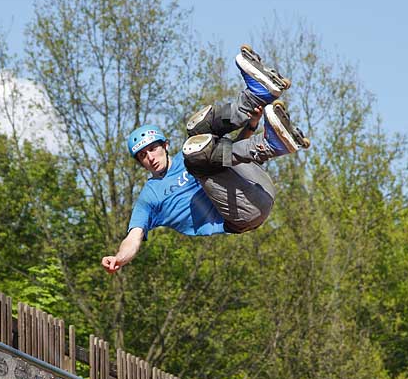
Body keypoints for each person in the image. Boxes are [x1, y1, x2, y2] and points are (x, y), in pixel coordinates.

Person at [101, 46, 309, 273]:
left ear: (165, 146)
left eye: (153, 149)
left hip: (255, 183)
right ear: (140, 162)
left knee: (197, 130)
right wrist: (119, 258)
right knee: (196, 155)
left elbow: (230, 157)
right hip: (245, 214)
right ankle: (271, 144)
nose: (150, 157)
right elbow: (134, 237)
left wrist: (251, 125)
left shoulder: (195, 152)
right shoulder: (149, 197)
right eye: (143, 155)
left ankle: (256, 96)